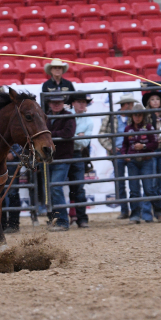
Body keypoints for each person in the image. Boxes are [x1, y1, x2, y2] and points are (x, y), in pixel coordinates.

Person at [122, 103, 161, 223]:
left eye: (139, 115)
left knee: (149, 189)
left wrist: (144, 146)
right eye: (135, 115)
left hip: (146, 160)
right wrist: (124, 155)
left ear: (143, 116)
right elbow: (124, 145)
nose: (137, 117)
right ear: (132, 116)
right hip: (133, 161)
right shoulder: (128, 129)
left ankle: (159, 210)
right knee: (134, 190)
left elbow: (155, 144)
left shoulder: (149, 128)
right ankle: (135, 215)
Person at [98, 94, 139, 219]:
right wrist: (111, 147)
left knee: (132, 183)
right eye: (131, 105)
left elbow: (101, 135)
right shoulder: (112, 117)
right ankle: (127, 211)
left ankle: (132, 211)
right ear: (126, 105)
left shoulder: (131, 118)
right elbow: (101, 135)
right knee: (121, 183)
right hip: (120, 152)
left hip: (129, 152)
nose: (132, 108)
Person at [45, 94, 76, 232]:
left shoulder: (68, 116)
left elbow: (68, 133)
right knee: (51, 189)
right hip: (50, 157)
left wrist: (49, 134)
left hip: (62, 157)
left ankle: (63, 221)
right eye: (54, 102)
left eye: (59, 102)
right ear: (50, 103)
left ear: (63, 103)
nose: (56, 104)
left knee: (55, 187)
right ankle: (56, 219)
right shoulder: (46, 117)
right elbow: (64, 133)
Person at [67, 92, 94, 229]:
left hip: (76, 154)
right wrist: (78, 136)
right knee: (58, 186)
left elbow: (84, 143)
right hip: (65, 154)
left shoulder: (89, 120)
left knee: (78, 188)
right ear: (73, 103)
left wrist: (71, 136)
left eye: (84, 102)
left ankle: (80, 218)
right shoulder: (66, 115)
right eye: (79, 102)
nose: (82, 104)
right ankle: (63, 219)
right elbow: (80, 139)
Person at [1, 144, 23, 234]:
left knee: (12, 192)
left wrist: (13, 154)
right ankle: (2, 224)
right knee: (0, 193)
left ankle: (13, 224)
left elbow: (20, 145)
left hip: (9, 161)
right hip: (1, 160)